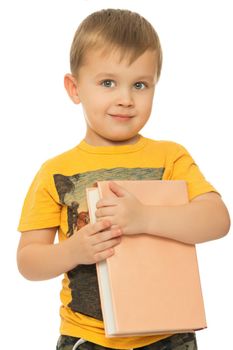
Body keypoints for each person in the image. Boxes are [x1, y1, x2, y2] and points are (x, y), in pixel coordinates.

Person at [17, 8, 230, 350]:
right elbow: (28, 261)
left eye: (140, 85)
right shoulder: (55, 172)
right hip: (87, 338)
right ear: (75, 88)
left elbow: (218, 220)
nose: (126, 99)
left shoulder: (169, 157)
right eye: (107, 83)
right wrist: (73, 250)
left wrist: (145, 217)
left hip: (169, 335)